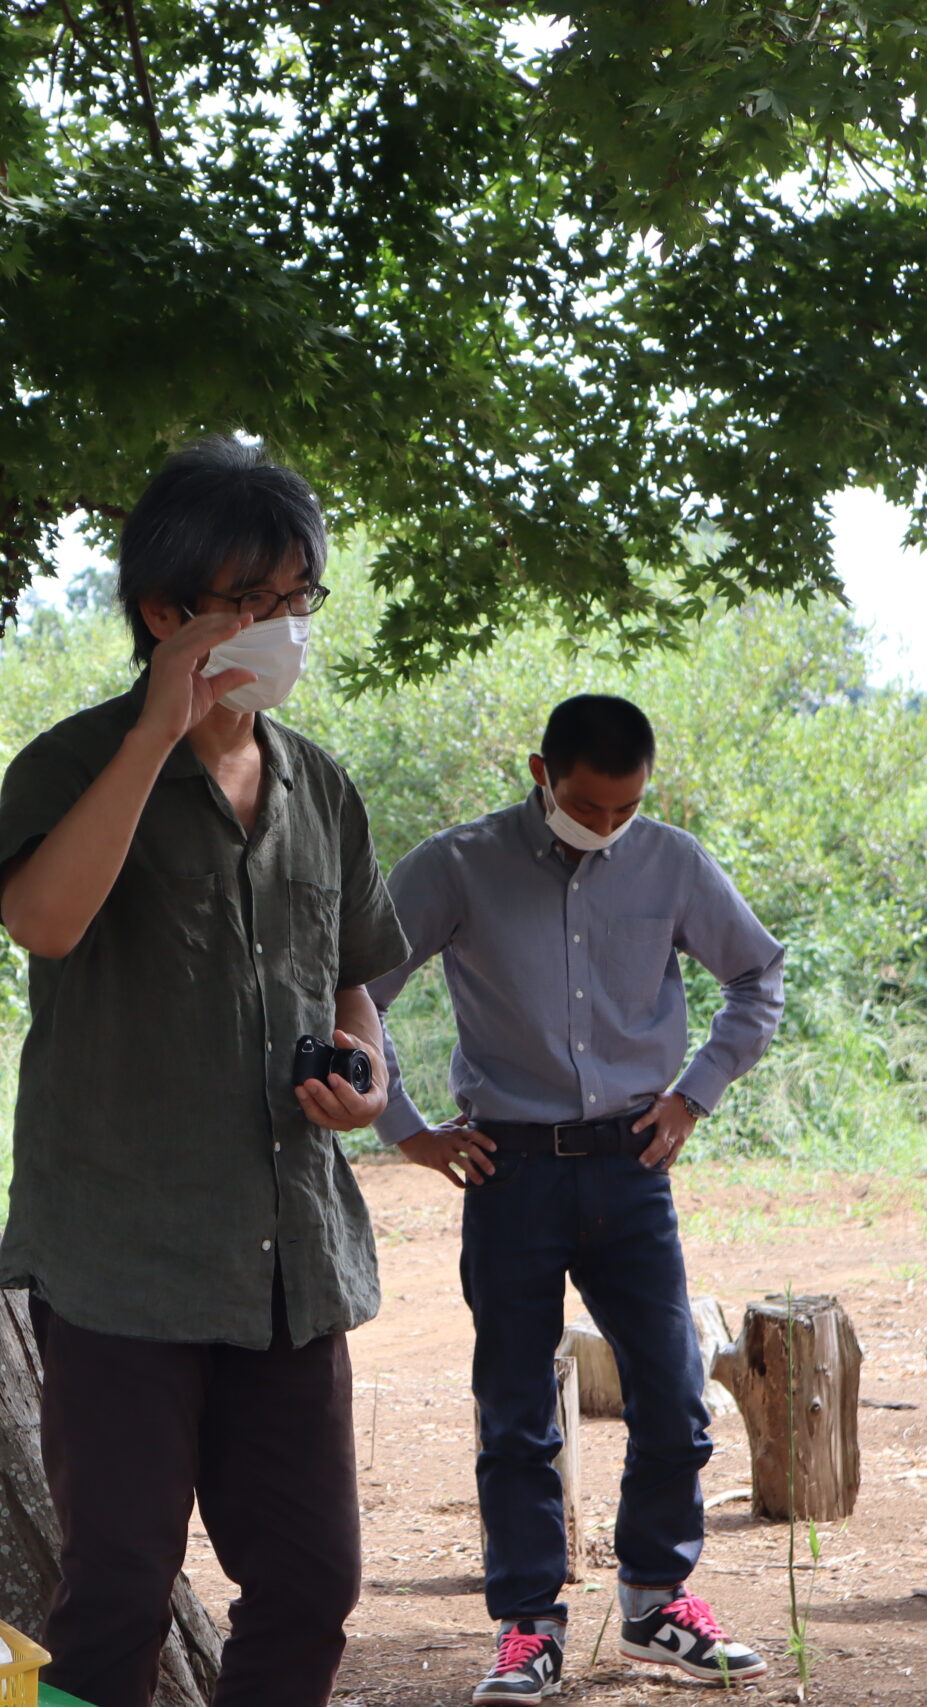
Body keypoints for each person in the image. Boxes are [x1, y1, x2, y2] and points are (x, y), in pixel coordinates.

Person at [0, 436, 410, 1707]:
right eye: (250, 601)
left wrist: (367, 1077)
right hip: (121, 1259)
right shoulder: (70, 765)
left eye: (298, 598)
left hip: (289, 1260)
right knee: (115, 1591)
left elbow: (354, 979)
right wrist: (156, 733)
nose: (283, 627)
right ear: (167, 614)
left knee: (311, 1583)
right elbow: (44, 922)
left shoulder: (319, 785)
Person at [366, 693, 786, 1700]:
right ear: (540, 774)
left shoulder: (672, 862)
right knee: (516, 1411)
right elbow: (356, 991)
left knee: (674, 1394)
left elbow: (758, 977)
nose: (606, 826)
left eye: (625, 809)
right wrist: (407, 1129)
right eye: (587, 806)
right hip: (506, 1171)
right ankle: (528, 1628)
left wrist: (695, 1094)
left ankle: (656, 1604)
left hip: (631, 1166)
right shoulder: (456, 865)